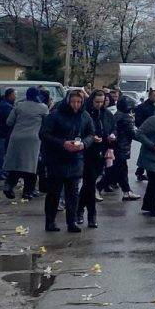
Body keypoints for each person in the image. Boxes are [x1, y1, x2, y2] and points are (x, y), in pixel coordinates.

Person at [40, 89, 94, 233]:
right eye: (73, 102)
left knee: (73, 193)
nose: (76, 105)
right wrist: (62, 143)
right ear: (67, 101)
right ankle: (50, 221)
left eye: (79, 102)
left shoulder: (85, 116)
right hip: (56, 159)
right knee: (54, 192)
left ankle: (72, 222)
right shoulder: (55, 115)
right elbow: (44, 134)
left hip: (76, 159)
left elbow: (90, 133)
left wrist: (84, 144)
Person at [3, 87, 47, 203]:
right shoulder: (43, 107)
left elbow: (9, 122)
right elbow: (47, 124)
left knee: (15, 164)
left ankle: (8, 185)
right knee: (31, 167)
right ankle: (28, 192)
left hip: (16, 138)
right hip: (33, 139)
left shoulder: (19, 106)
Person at [79, 91, 116, 228]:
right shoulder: (85, 114)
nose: (100, 105)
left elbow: (113, 128)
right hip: (87, 152)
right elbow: (81, 131)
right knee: (89, 183)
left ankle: (80, 208)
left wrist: (112, 135)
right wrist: (91, 138)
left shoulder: (107, 114)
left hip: (102, 152)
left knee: (89, 183)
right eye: (97, 102)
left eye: (102, 102)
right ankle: (91, 214)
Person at [105, 95, 136, 197]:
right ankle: (100, 186)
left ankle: (126, 191)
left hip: (116, 146)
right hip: (122, 147)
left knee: (116, 169)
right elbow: (133, 133)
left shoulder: (117, 115)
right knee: (121, 169)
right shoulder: (127, 118)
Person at [0, 87, 15, 182]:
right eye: (14, 95)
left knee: (3, 154)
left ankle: (2, 171)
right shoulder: (6, 107)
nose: (15, 97)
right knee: (1, 154)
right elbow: (9, 120)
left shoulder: (4, 104)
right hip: (3, 134)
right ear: (9, 95)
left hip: (2, 133)